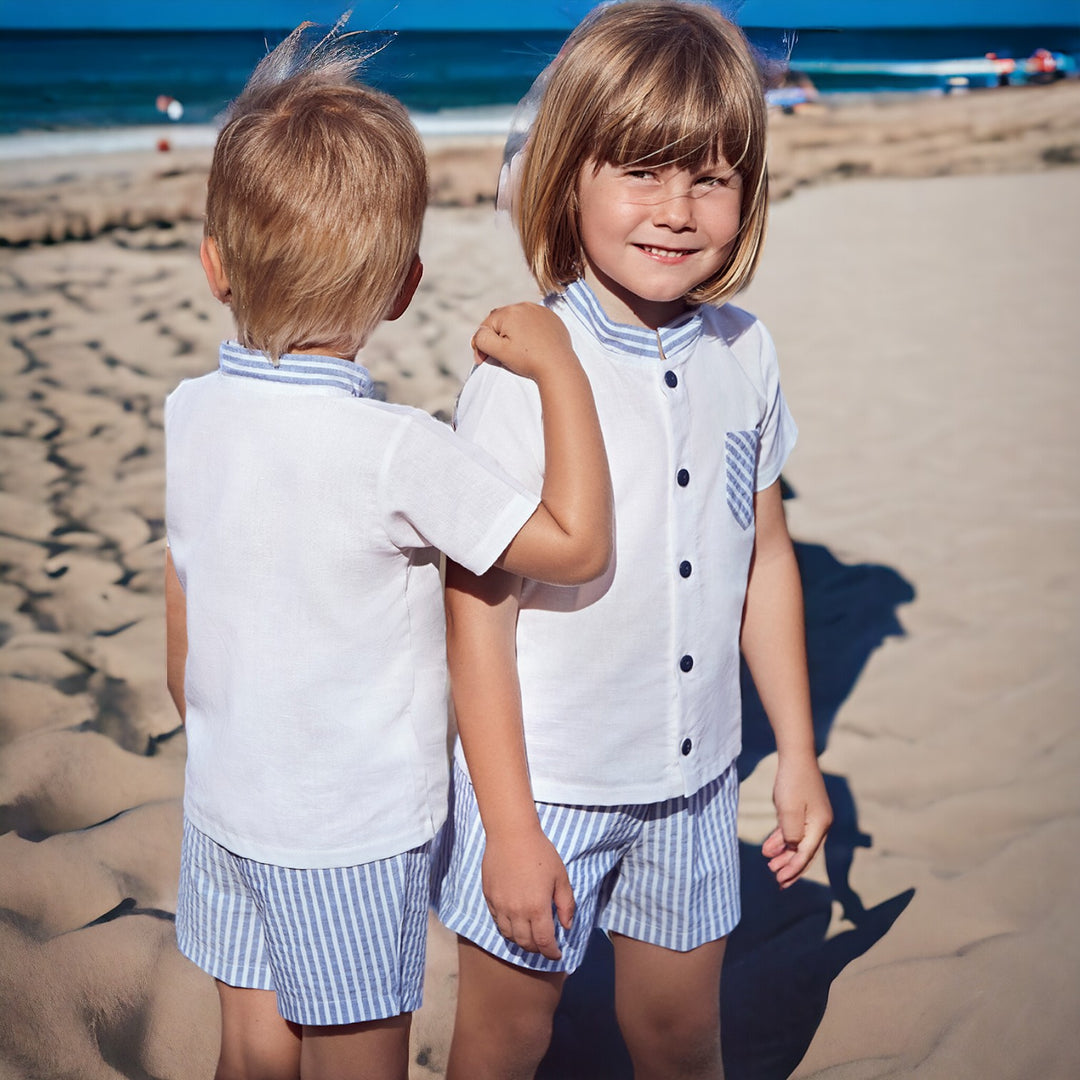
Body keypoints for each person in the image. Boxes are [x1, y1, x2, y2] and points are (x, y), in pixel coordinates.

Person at [163, 21, 612, 1080]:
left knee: (250, 1052)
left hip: (225, 806)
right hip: (350, 834)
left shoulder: (191, 413)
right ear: (406, 288)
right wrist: (563, 375)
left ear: (214, 268)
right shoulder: (400, 451)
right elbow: (576, 544)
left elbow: (183, 616)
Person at [431, 3, 833, 1078]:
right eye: (640, 173)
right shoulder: (523, 375)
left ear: (748, 190)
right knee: (506, 1040)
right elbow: (477, 619)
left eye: (710, 177)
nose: (676, 209)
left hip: (698, 783)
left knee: (676, 1038)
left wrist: (796, 751)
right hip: (548, 785)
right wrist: (510, 829)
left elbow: (767, 558)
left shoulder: (744, 353)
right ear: (569, 176)